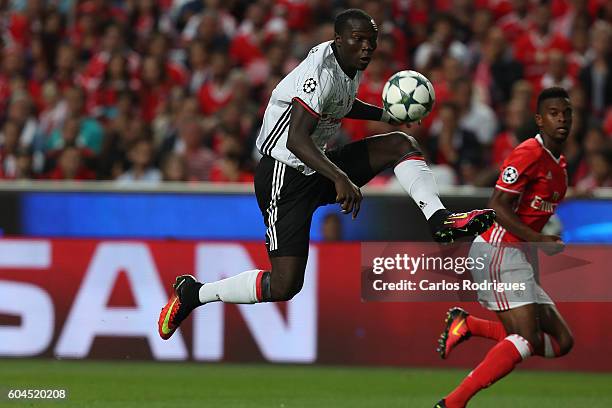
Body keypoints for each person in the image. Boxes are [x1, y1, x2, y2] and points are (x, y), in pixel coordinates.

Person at [158, 9, 495, 341]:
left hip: (315, 164)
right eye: (358, 40)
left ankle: (440, 221)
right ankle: (195, 293)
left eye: (371, 41)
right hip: (283, 175)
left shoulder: (348, 65)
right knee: (285, 284)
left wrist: (382, 115)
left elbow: (341, 104)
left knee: (399, 144)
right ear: (338, 40)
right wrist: (340, 177)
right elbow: (296, 137)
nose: (366, 47)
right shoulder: (321, 74)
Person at [434, 87, 575, 408]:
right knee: (526, 339)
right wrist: (538, 239)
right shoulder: (529, 153)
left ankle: (468, 325)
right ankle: (452, 403)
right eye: (554, 113)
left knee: (562, 342)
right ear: (540, 120)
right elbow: (497, 204)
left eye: (567, 113)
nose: (562, 119)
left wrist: (535, 241)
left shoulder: (559, 164)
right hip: (497, 251)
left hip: (516, 255)